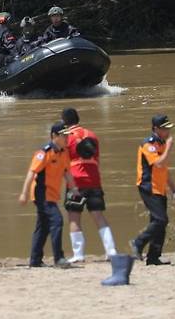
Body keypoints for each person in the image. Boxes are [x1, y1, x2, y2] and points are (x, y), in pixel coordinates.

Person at [61, 108, 117, 262]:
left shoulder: (67, 138)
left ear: (65, 122)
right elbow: (97, 159)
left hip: (75, 181)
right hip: (94, 179)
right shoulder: (92, 135)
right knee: (98, 215)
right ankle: (111, 251)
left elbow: (63, 161)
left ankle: (78, 254)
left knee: (74, 216)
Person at [19, 121, 78, 268]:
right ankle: (59, 258)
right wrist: (24, 194)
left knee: (43, 226)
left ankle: (35, 260)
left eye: (68, 136)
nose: (67, 139)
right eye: (64, 136)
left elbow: (67, 173)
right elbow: (31, 173)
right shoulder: (44, 153)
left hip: (52, 194)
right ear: (54, 136)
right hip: (41, 194)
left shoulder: (64, 153)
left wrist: (75, 190)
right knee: (57, 221)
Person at [130, 114, 175, 266]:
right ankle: (137, 243)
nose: (168, 132)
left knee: (159, 223)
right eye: (165, 129)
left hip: (160, 187)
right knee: (161, 219)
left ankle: (153, 257)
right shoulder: (148, 144)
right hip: (148, 186)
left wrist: (174, 189)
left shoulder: (162, 144)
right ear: (156, 129)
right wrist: (169, 148)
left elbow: (164, 168)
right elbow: (157, 163)